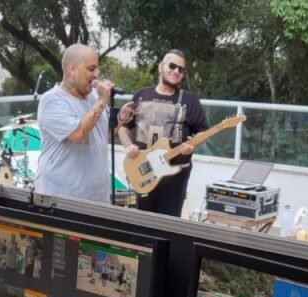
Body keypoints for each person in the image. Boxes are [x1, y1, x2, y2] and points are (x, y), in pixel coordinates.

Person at [118, 50, 209, 217]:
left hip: (175, 176)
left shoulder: (190, 100)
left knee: (169, 224)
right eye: (172, 66)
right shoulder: (141, 95)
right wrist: (128, 145)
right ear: (161, 66)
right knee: (143, 221)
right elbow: (123, 127)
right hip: (143, 172)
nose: (176, 71)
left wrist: (193, 145)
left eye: (181, 69)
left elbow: (202, 131)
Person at [36, 44, 117, 202]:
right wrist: (102, 100)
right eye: (91, 69)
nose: (96, 74)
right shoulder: (51, 101)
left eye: (97, 69)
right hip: (62, 200)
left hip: (97, 199)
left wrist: (121, 119)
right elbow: (78, 134)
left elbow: (103, 134)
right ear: (72, 69)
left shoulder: (95, 98)